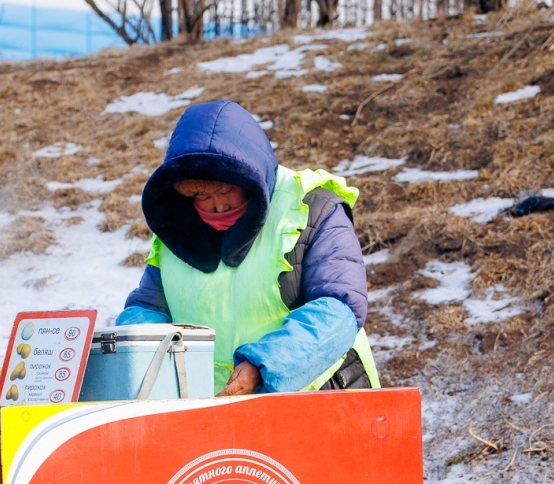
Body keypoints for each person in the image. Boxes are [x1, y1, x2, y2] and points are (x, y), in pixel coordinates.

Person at [118, 100, 379, 395]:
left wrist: (263, 365)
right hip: (214, 409)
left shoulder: (312, 210)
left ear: (248, 174)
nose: (217, 206)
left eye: (225, 189)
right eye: (201, 195)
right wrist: (130, 354)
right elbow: (149, 307)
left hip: (319, 399)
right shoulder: (175, 228)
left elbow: (339, 308)